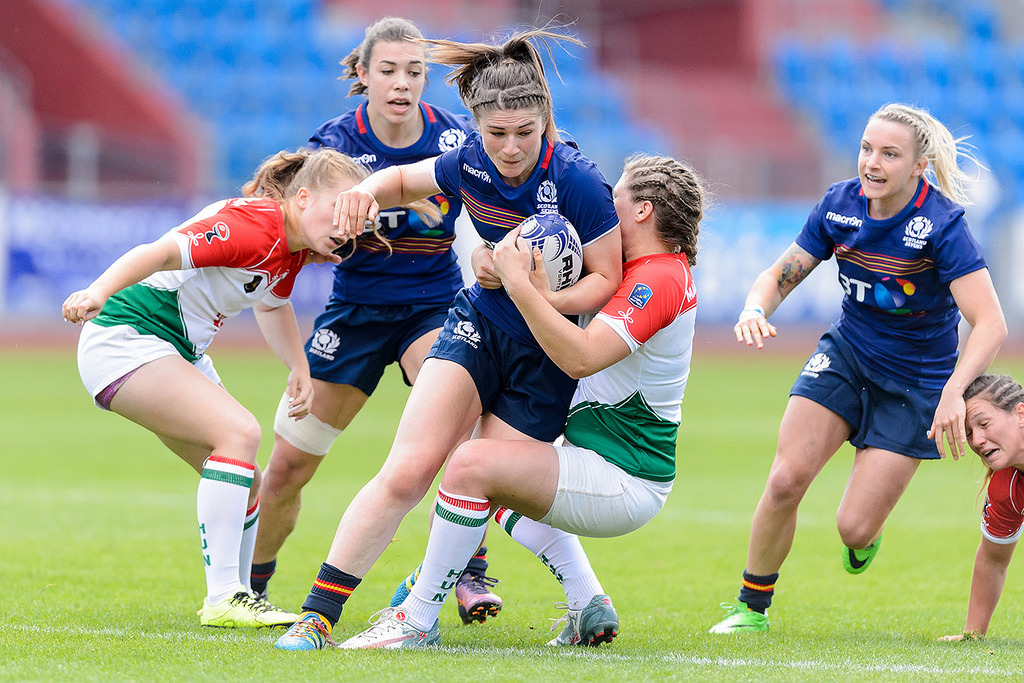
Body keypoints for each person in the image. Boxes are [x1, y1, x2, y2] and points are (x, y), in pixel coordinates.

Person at [273, 26, 622, 651]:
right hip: (476, 324)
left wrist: (533, 293)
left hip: (545, 354)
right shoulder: (468, 160)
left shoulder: (578, 180)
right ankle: (317, 616)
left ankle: (431, 605)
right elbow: (400, 182)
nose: (510, 148)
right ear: (476, 127)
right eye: (496, 133)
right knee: (408, 470)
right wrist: (362, 192)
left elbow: (607, 279)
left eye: (524, 132)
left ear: (544, 120)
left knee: (480, 480)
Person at [334, 154, 703, 649]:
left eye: (616, 194)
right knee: (495, 471)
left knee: (470, 466)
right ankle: (586, 600)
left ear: (643, 210)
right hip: (596, 457)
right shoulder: (638, 269)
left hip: (625, 476)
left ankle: (416, 618)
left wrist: (519, 284)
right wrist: (491, 261)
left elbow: (581, 357)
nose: (605, 204)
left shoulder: (659, 278)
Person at [709, 102, 1007, 634]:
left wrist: (953, 392)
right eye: (867, 148)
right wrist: (755, 309)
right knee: (786, 479)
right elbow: (779, 274)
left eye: (890, 154)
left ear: (919, 166)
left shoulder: (942, 226)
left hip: (916, 382)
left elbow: (991, 323)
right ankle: (751, 608)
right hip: (846, 354)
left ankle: (866, 532)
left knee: (853, 528)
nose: (872, 162)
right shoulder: (840, 205)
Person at [61, 148, 384, 628]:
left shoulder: (291, 247)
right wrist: (98, 291)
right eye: (337, 208)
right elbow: (160, 251)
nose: (345, 225)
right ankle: (224, 596)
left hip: (174, 350)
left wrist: (299, 366)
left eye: (352, 216)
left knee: (250, 480)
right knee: (240, 432)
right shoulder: (254, 226)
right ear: (301, 198)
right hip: (126, 336)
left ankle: (243, 595)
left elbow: (272, 305)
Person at [249, 17, 502, 625]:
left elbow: (497, 207)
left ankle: (468, 573)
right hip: (354, 313)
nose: (401, 83)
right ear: (363, 75)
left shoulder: (454, 139)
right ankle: (247, 590)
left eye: (414, 71)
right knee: (287, 468)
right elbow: (300, 225)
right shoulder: (335, 144)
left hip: (433, 306)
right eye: (387, 70)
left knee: (458, 441)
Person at [939, 373, 1024, 642]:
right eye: (969, 433)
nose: (976, 440)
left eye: (984, 424)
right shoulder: (1006, 489)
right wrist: (973, 635)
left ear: (1020, 414)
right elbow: (992, 560)